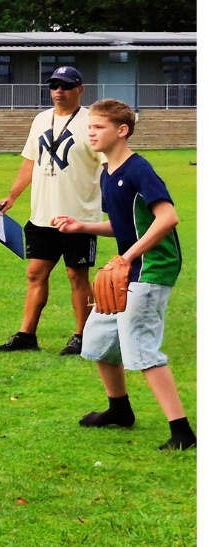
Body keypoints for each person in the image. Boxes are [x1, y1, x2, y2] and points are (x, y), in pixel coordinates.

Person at [51, 99, 195, 450]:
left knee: (142, 349)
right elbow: (123, 225)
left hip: (152, 268)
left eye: (98, 127)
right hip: (128, 268)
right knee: (99, 339)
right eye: (90, 127)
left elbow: (167, 218)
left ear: (122, 130)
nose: (91, 133)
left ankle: (182, 433)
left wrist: (128, 257)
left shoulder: (138, 169)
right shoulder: (108, 173)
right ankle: (119, 410)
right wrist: (81, 225)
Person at [0, 66, 101, 355]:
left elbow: (108, 164)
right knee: (35, 274)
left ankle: (83, 336)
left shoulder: (93, 122)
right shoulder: (41, 119)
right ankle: (27, 335)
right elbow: (30, 161)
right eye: (54, 85)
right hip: (42, 216)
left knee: (77, 276)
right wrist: (12, 196)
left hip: (79, 218)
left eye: (65, 86)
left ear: (80, 89)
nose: (58, 91)